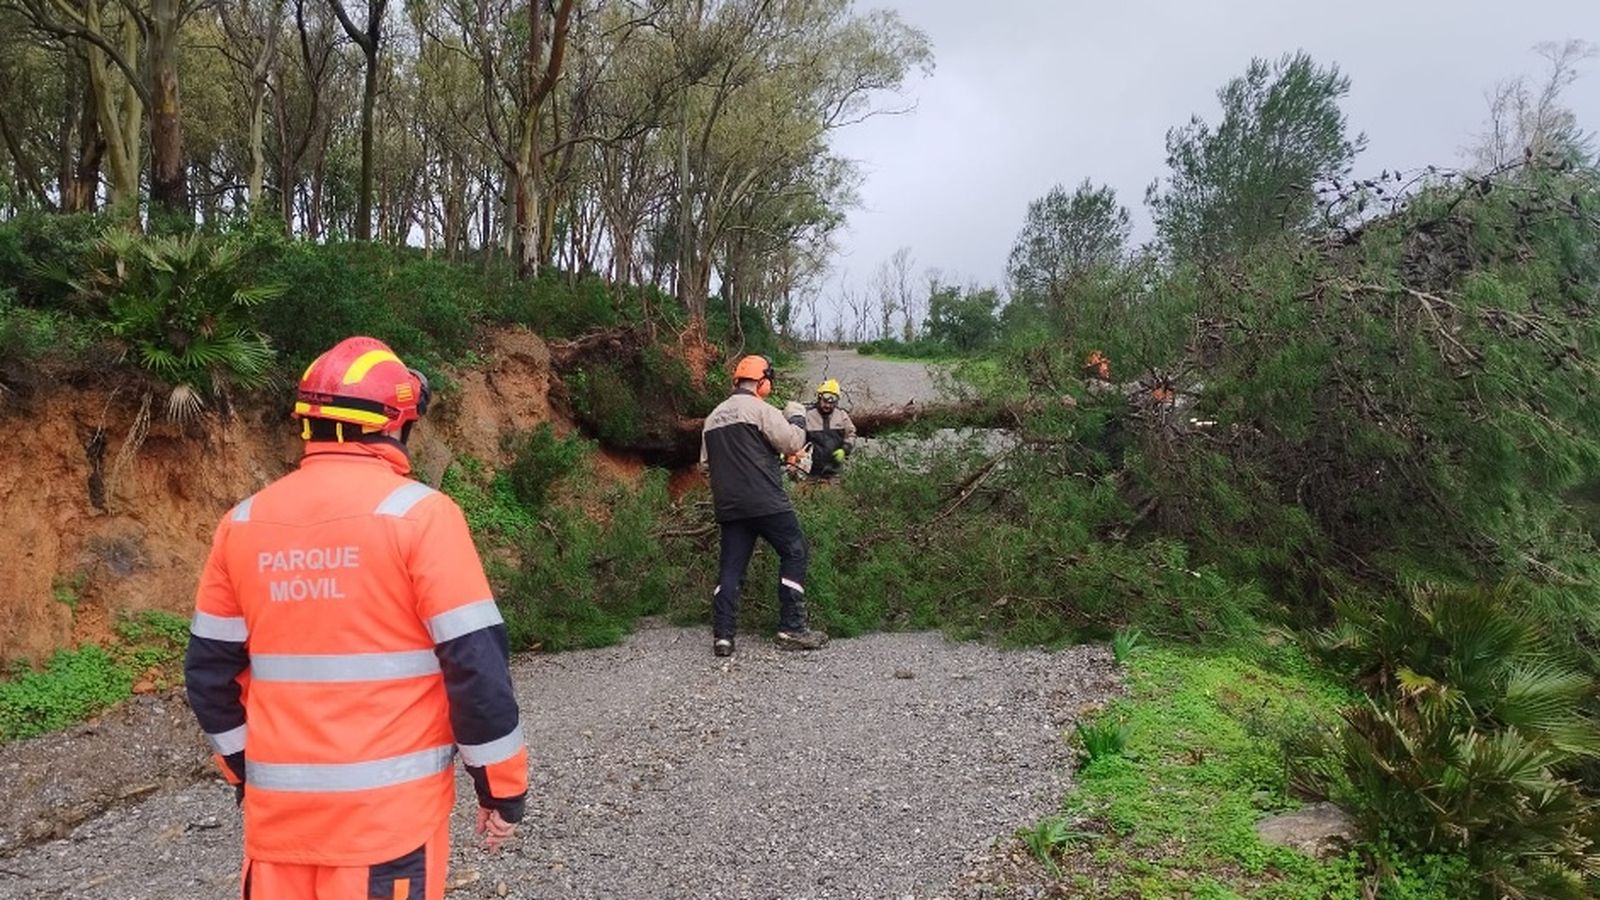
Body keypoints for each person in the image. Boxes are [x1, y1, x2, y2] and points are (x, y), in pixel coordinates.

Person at [185, 336, 528, 900]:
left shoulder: (242, 523)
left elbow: (208, 676)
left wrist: (247, 771)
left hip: (278, 829)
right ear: (395, 425)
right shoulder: (422, 517)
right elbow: (476, 666)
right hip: (386, 830)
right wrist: (500, 788)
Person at [699, 354, 831, 657]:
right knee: (795, 550)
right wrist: (796, 417)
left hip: (730, 506)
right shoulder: (761, 410)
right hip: (766, 501)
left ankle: (723, 636)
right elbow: (793, 443)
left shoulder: (712, 418)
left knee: (731, 567)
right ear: (762, 382)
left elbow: (705, 466)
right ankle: (792, 628)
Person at [803, 378, 857, 481]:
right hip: (809, 472)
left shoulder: (842, 416)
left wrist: (845, 448)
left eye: (832, 403)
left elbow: (851, 434)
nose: (827, 405)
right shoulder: (808, 415)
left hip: (834, 473)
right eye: (825, 401)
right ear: (819, 398)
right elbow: (797, 438)